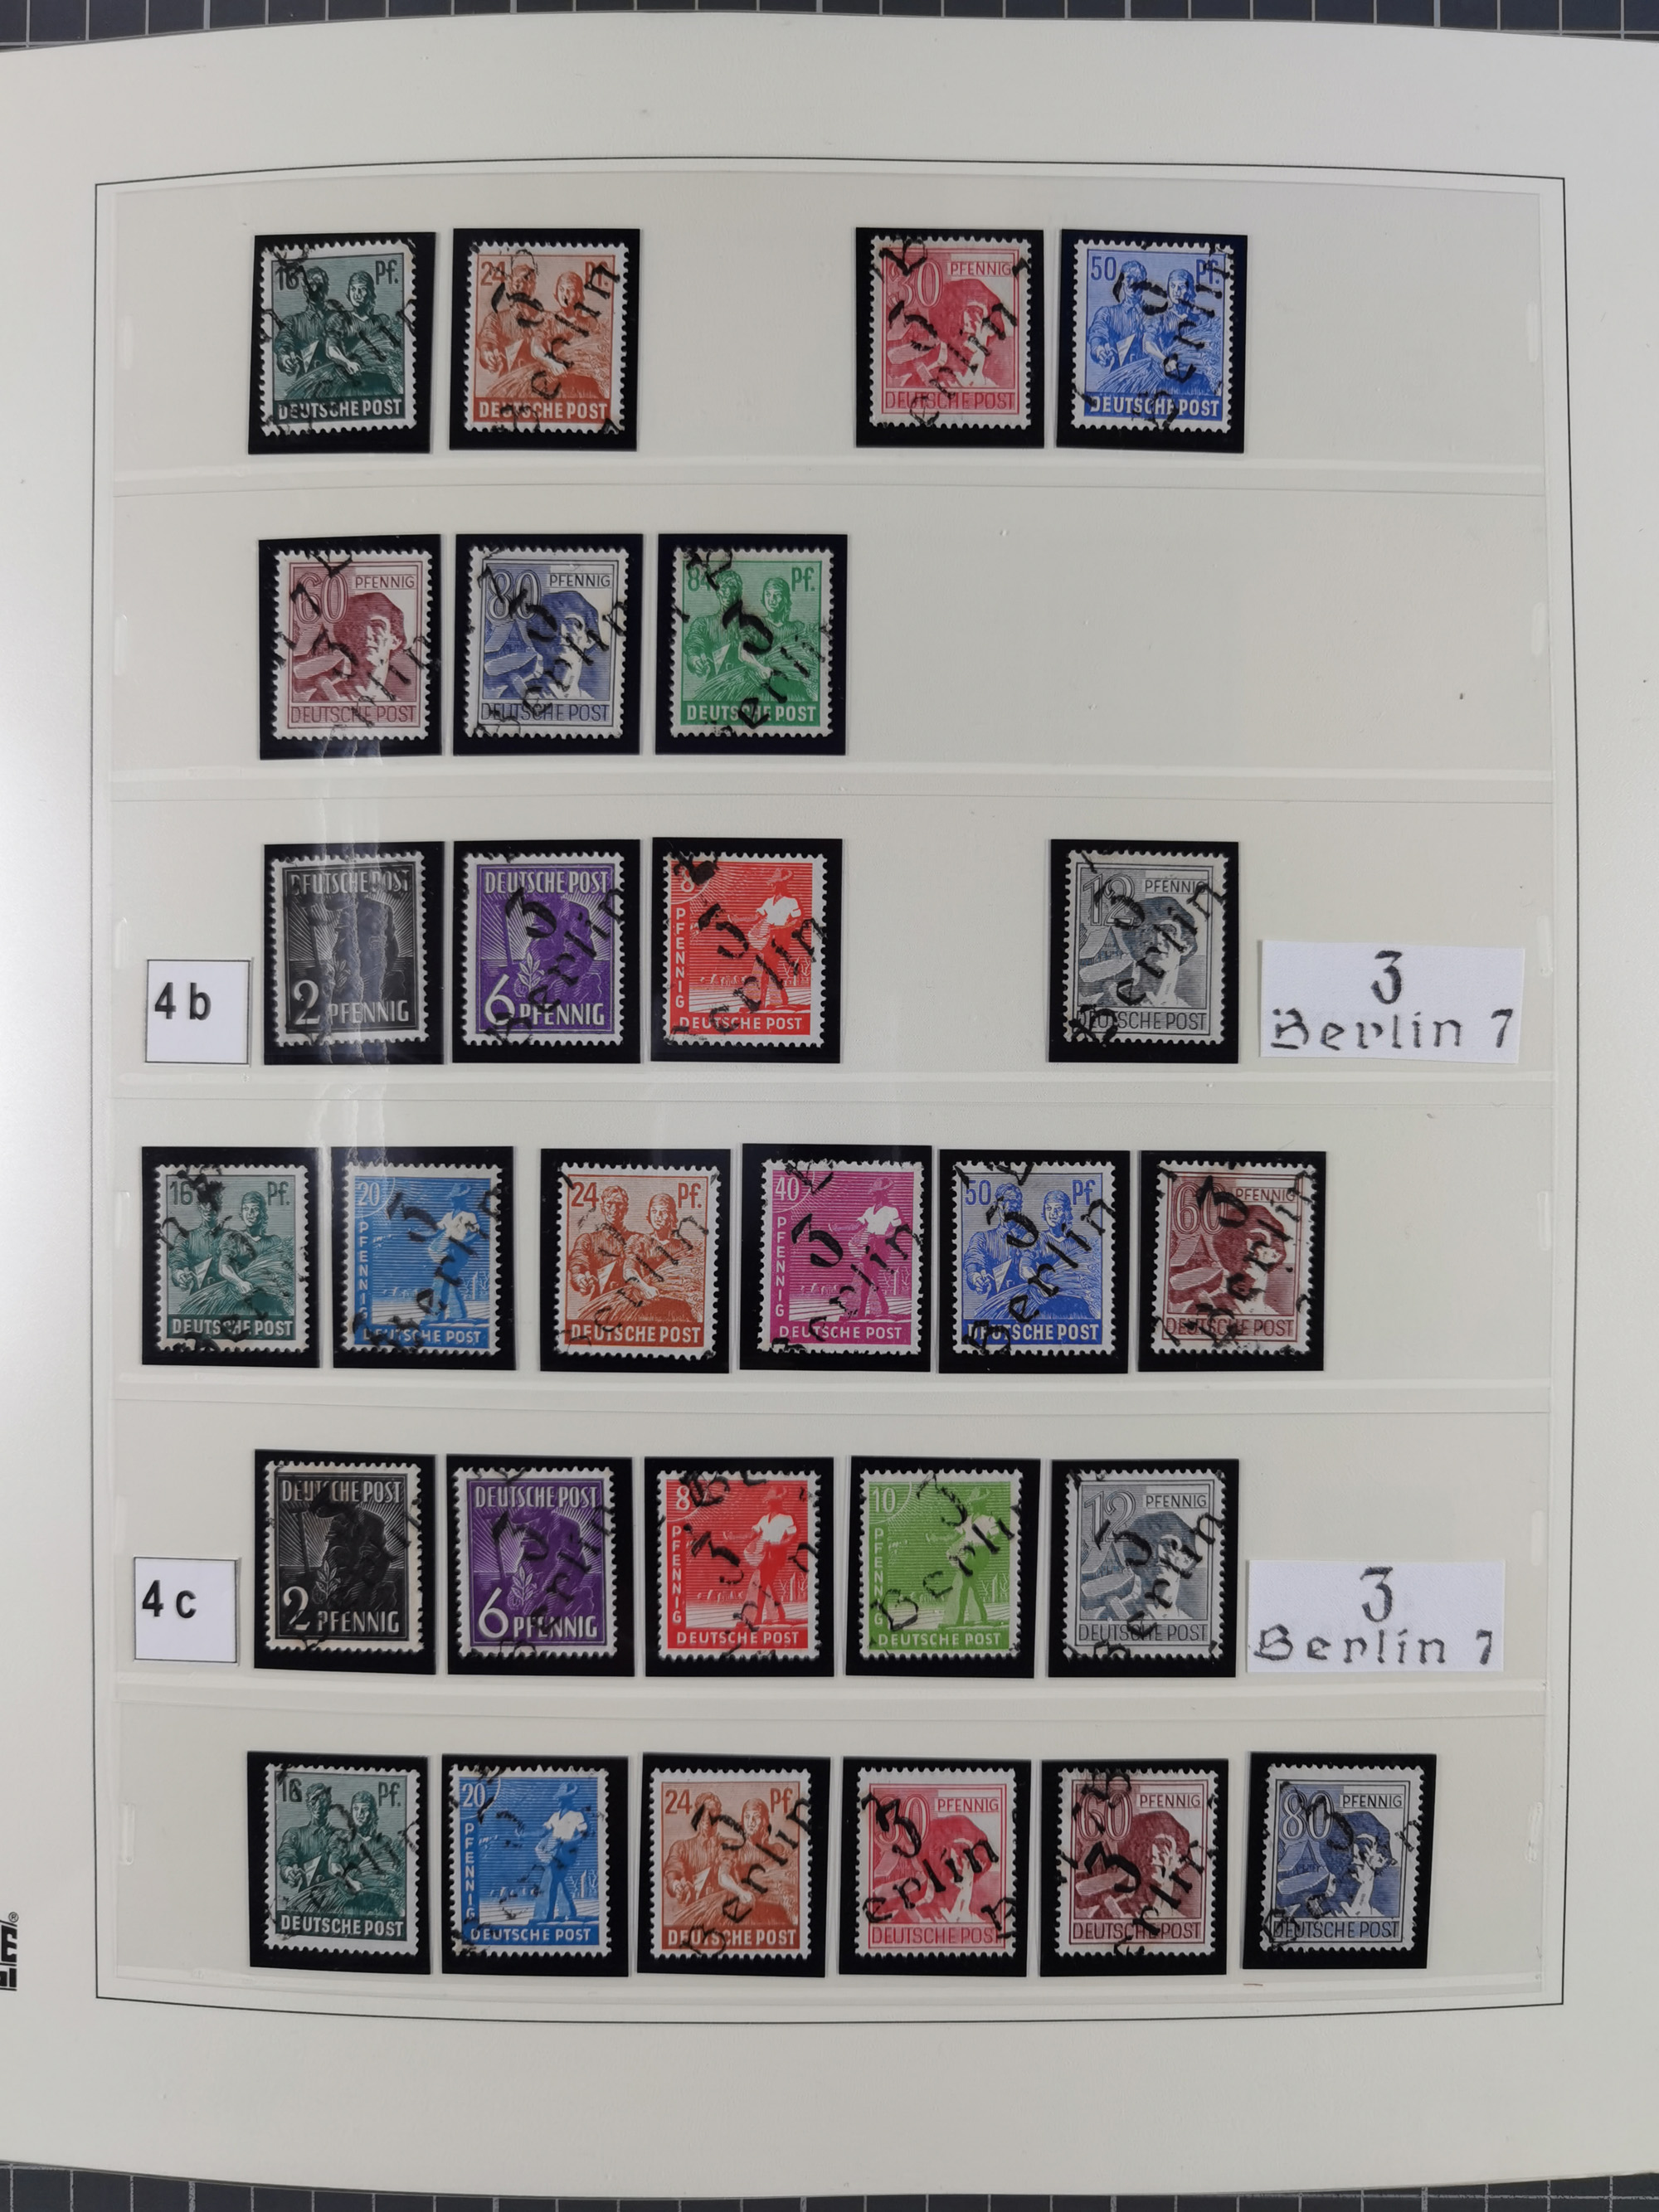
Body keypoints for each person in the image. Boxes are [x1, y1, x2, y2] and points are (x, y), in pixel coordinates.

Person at [1166, 1184, 1293, 1320]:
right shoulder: (1203, 1308)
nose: (1248, 1249)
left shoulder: (1275, 1318)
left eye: (1258, 1241)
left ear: (1276, 1254)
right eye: (1238, 1244)